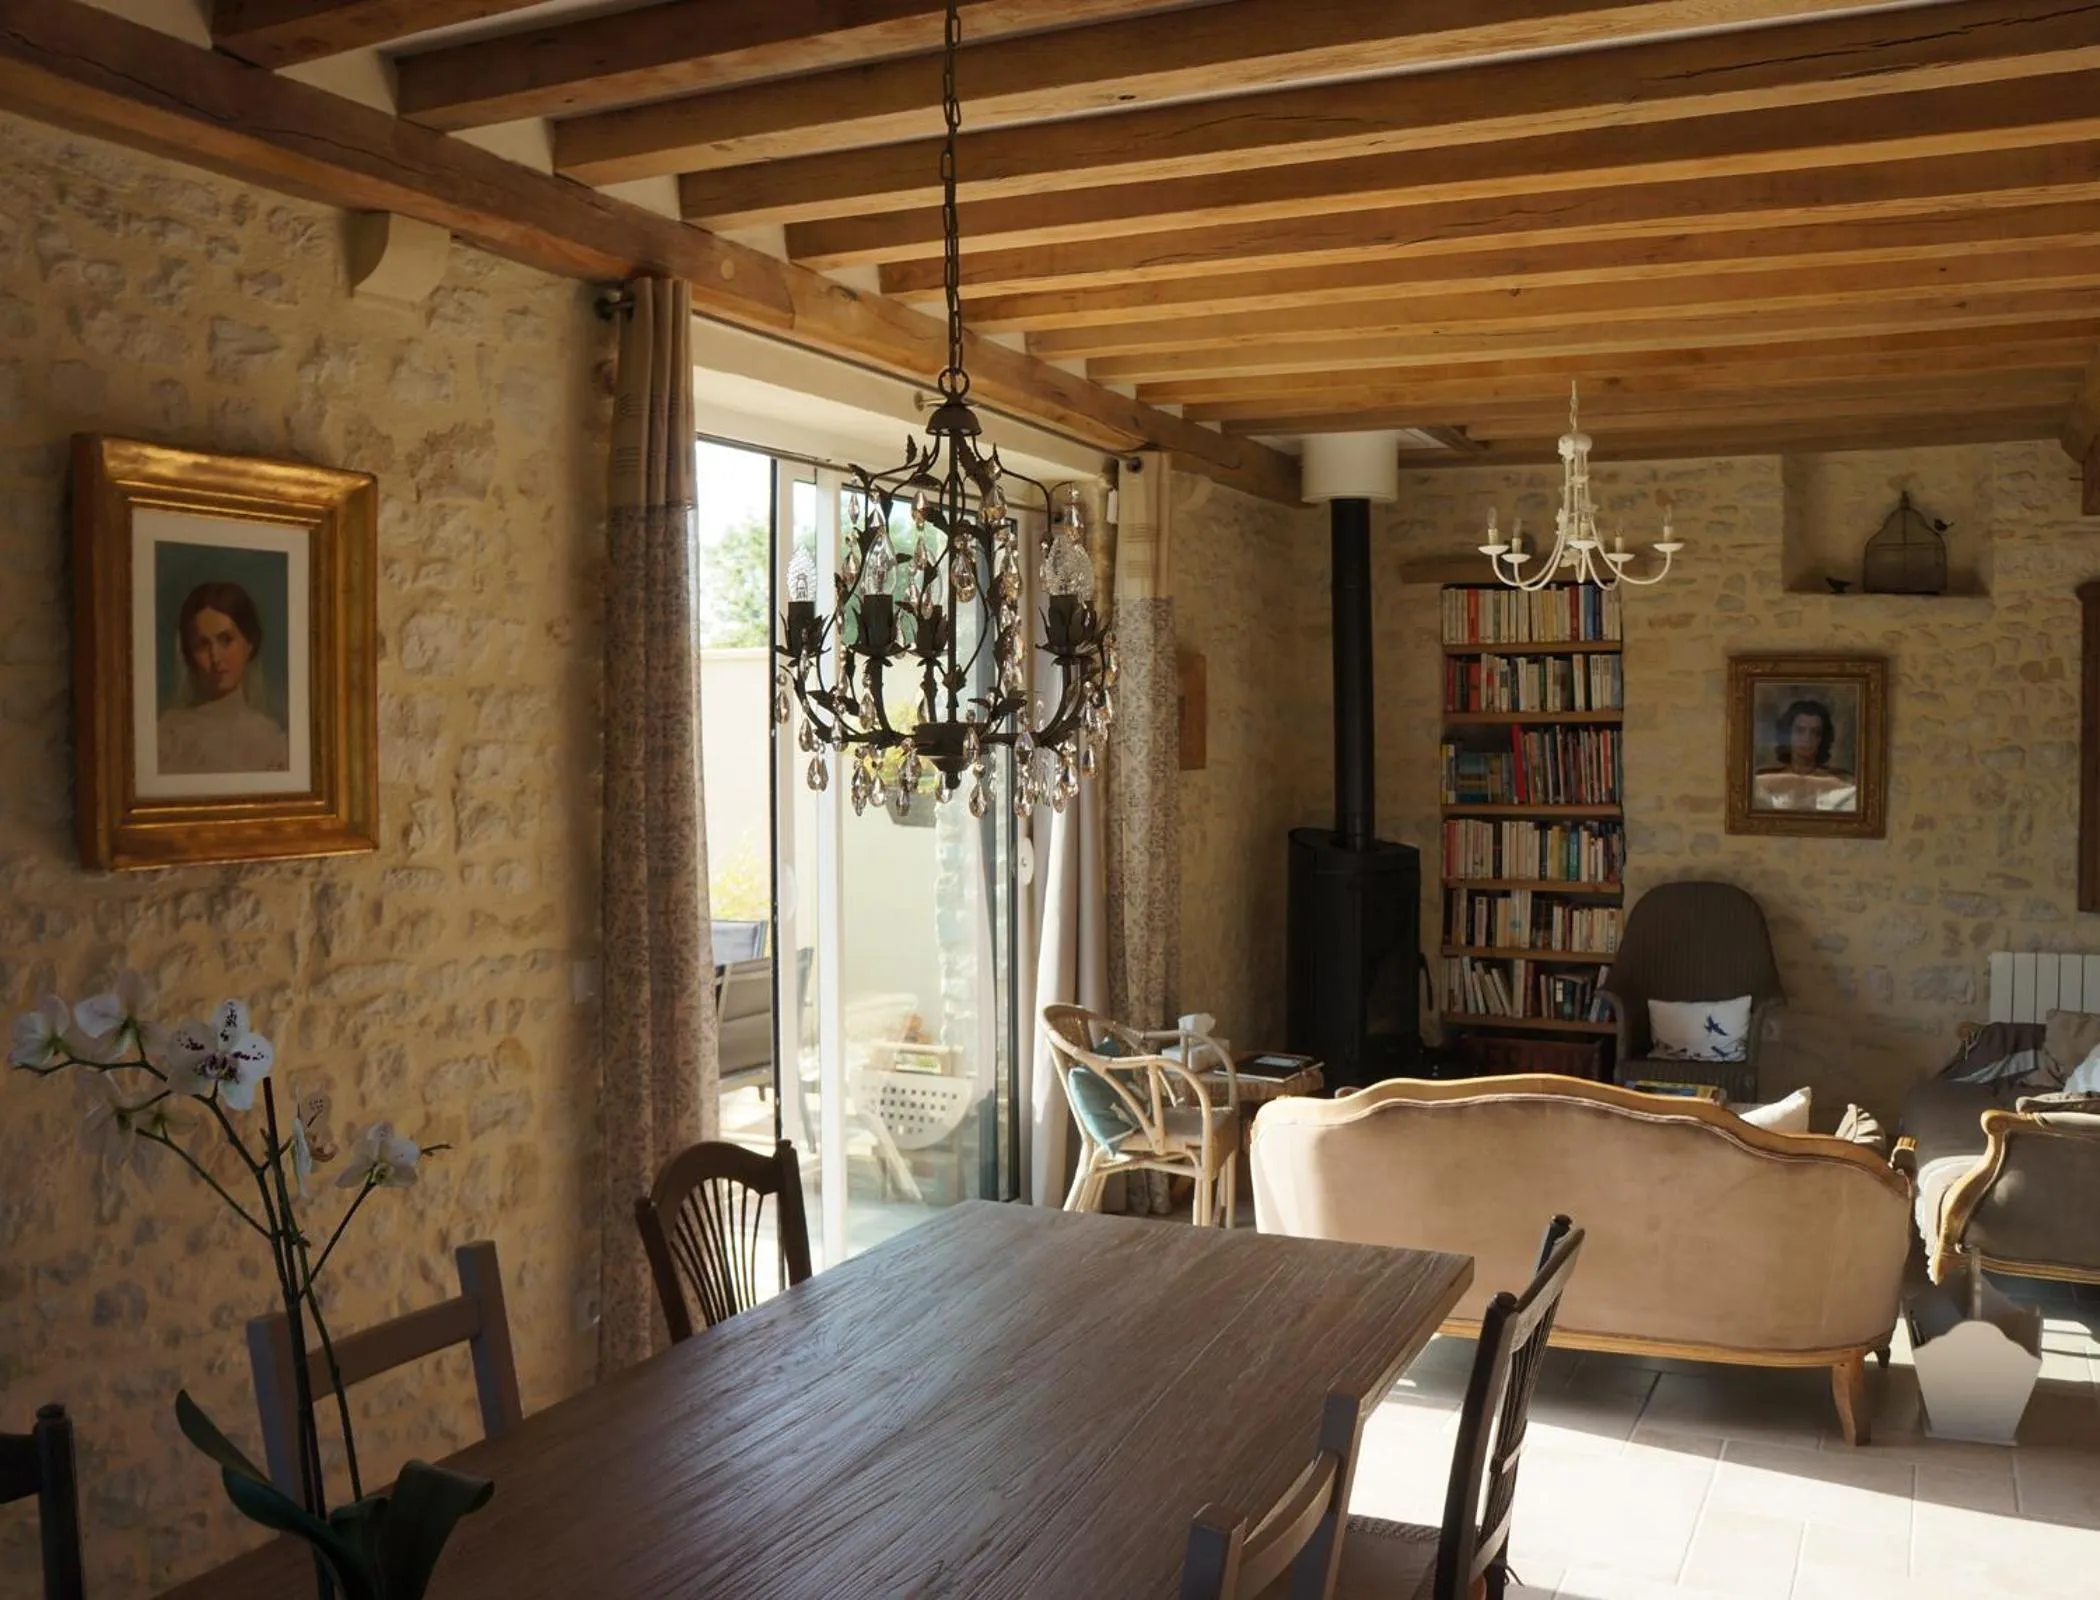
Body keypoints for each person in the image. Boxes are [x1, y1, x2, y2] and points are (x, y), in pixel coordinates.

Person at [156, 580, 289, 775]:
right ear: (190, 655)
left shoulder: (272, 743)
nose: (216, 658)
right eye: (203, 645)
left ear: (249, 644)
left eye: (226, 640)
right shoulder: (168, 734)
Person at [1752, 697, 1855, 812]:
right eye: (1800, 731)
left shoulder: (1841, 781)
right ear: (1788, 734)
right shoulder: (1761, 780)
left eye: (1815, 733)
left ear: (1822, 739)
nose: (1807, 738)